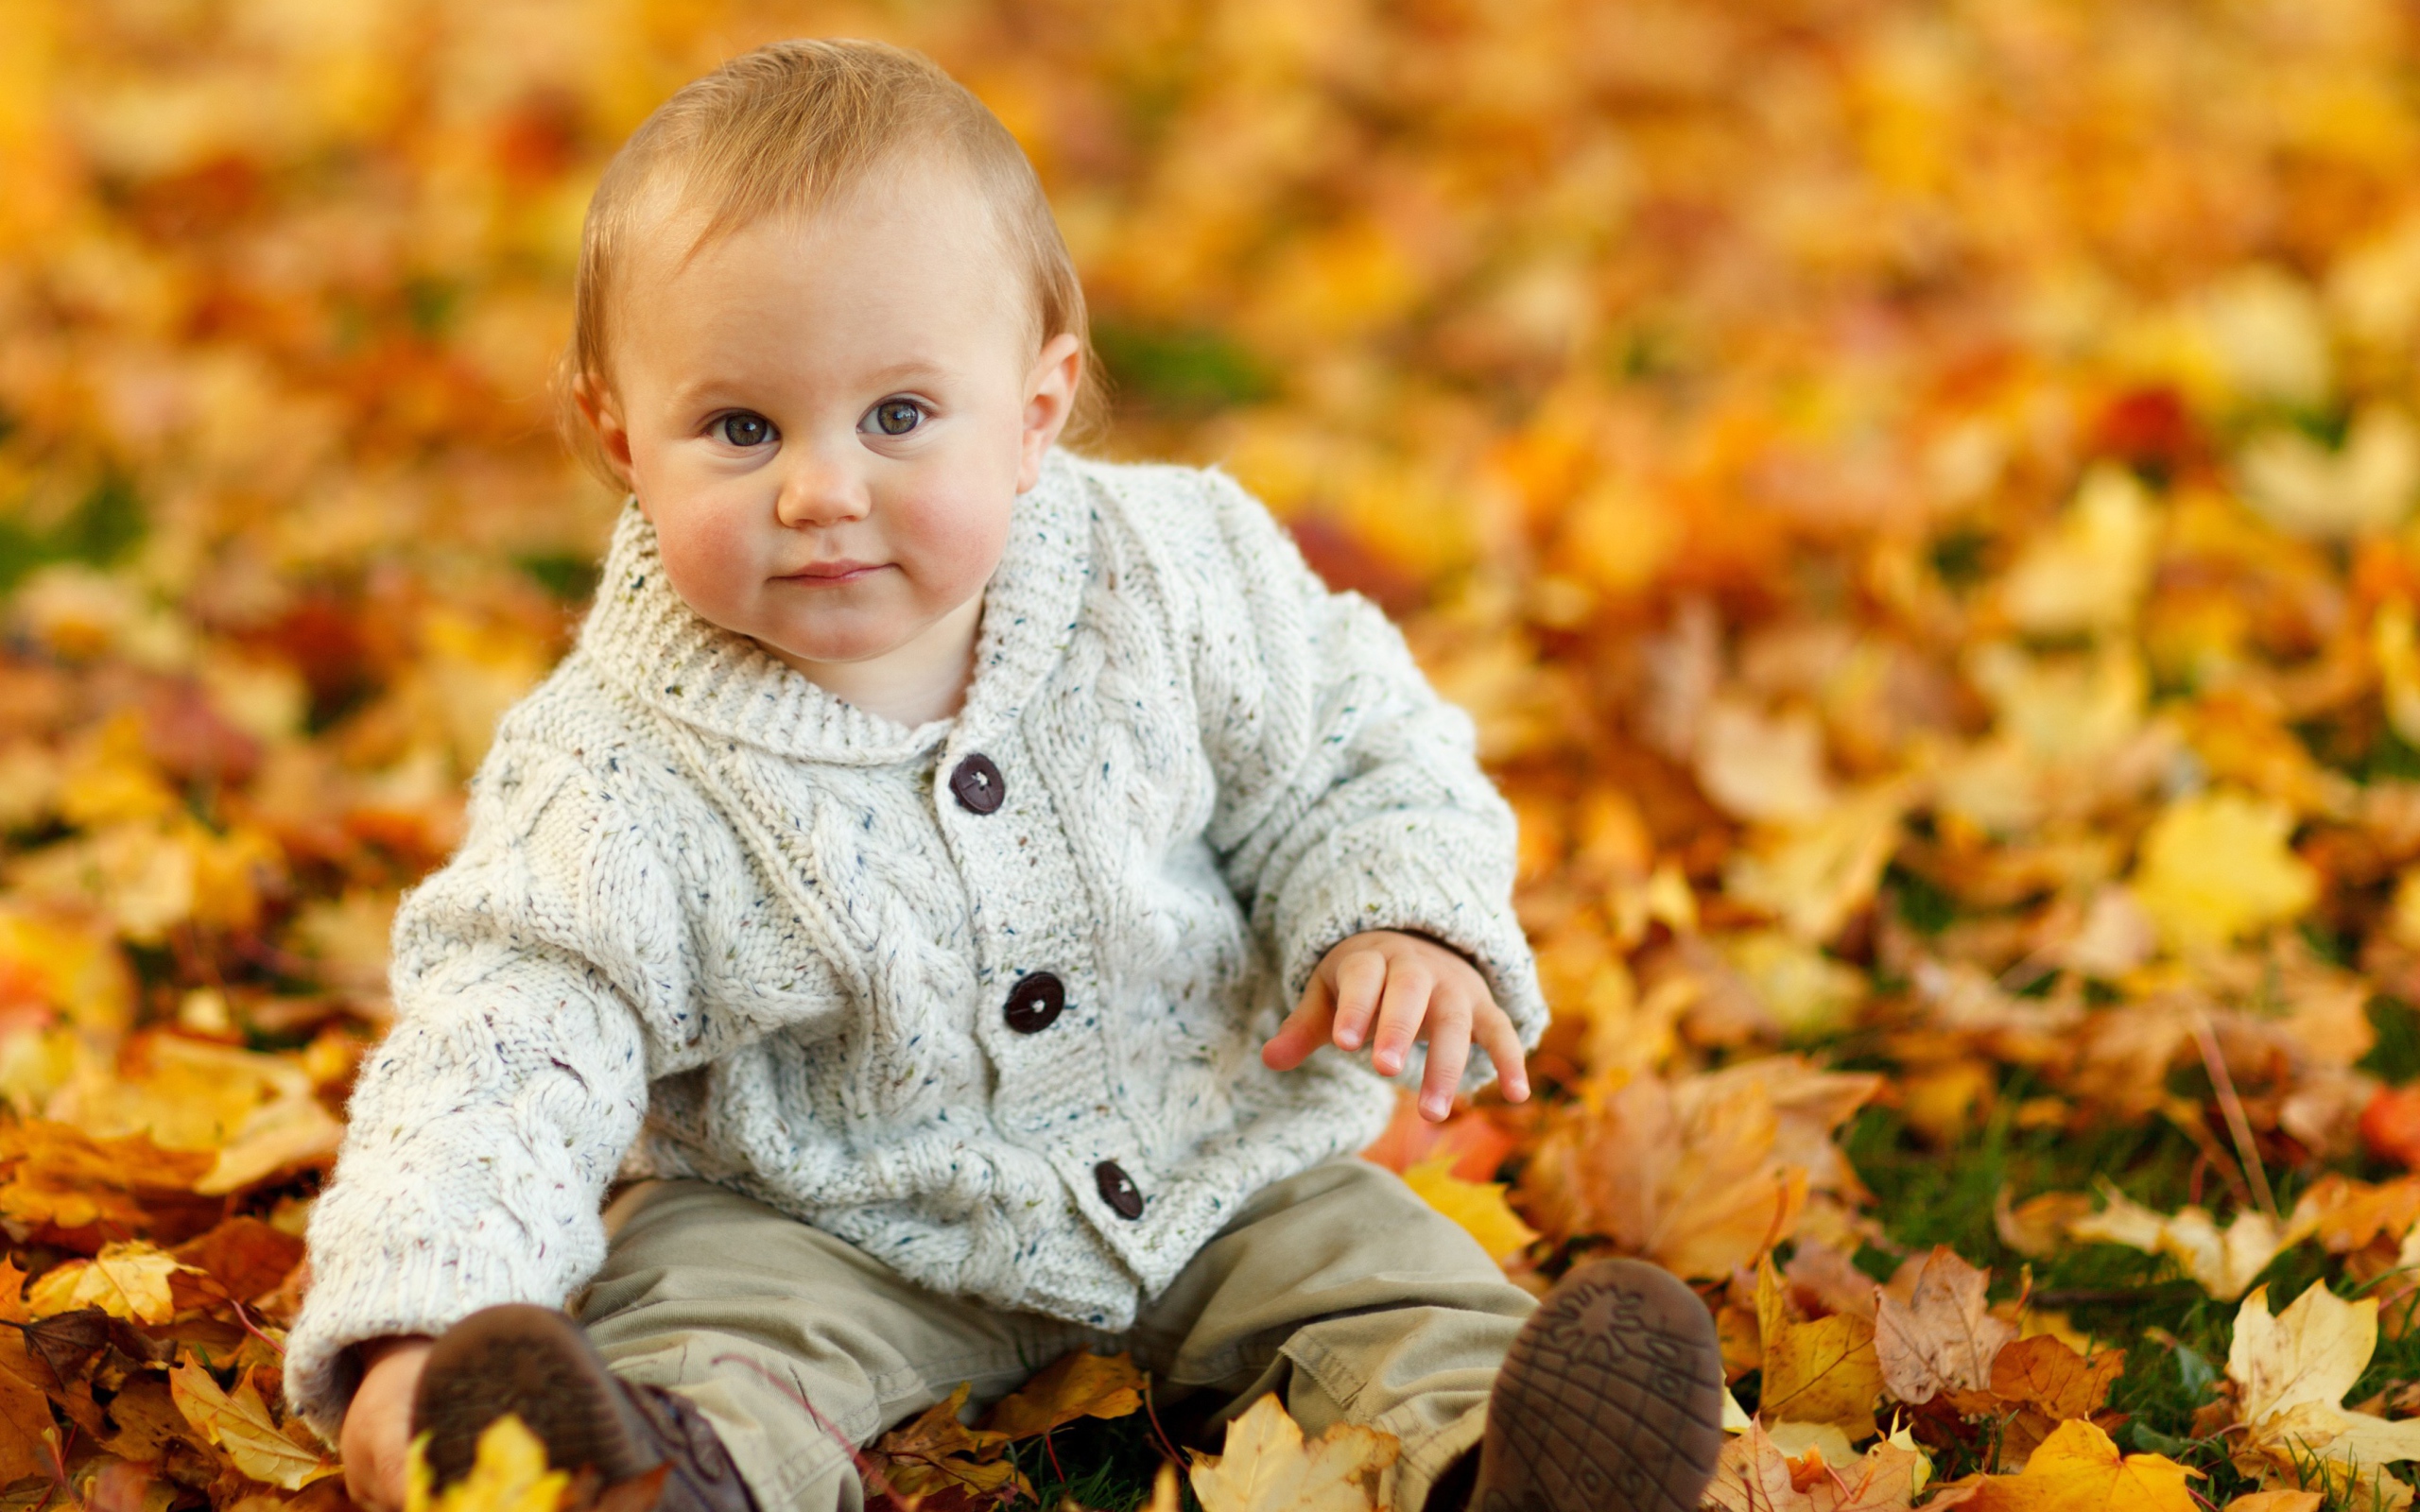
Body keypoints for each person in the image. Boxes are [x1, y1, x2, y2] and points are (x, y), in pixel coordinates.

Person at [283, 38, 1725, 1512]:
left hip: (1212, 1163)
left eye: (898, 416)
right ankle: (653, 1481)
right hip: (825, 1220)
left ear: (1036, 409)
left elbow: (1355, 749)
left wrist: (1395, 915)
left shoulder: (1174, 574)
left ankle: (1508, 1468)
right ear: (617, 435)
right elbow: (508, 1041)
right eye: (738, 427)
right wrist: (418, 1324)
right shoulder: (614, 764)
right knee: (710, 1334)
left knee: (1390, 1284)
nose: (821, 488)